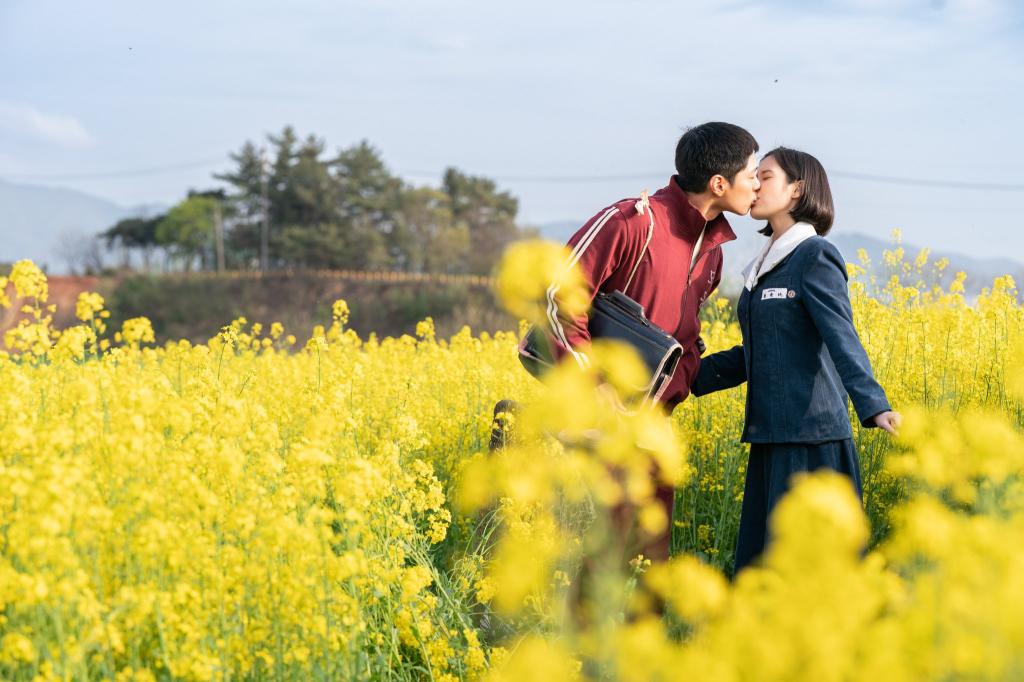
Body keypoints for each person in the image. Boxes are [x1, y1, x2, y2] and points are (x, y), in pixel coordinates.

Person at [499, 121, 761, 565]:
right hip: (593, 420)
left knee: (645, 565)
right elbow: (557, 297)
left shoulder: (714, 255)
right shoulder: (631, 221)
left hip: (650, 429)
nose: (757, 184)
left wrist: (690, 373)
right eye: (753, 173)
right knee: (588, 559)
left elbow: (685, 334)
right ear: (720, 183)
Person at [690, 147, 900, 576]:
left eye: (764, 176)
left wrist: (874, 404)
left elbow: (841, 336)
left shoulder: (814, 256)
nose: (753, 184)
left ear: (796, 190)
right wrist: (688, 375)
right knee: (764, 571)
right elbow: (762, 351)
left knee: (815, 573)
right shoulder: (764, 265)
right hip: (771, 438)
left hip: (813, 439)